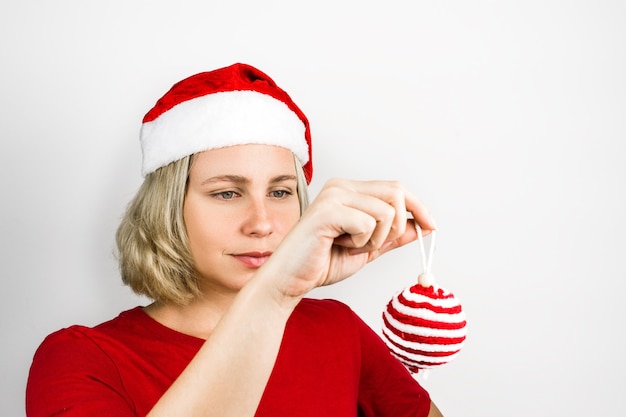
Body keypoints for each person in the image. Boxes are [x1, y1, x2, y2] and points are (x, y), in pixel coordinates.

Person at [25, 63, 443, 417]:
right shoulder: (82, 358)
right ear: (168, 209)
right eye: (227, 193)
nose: (261, 224)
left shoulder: (337, 329)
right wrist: (275, 291)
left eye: (281, 192)